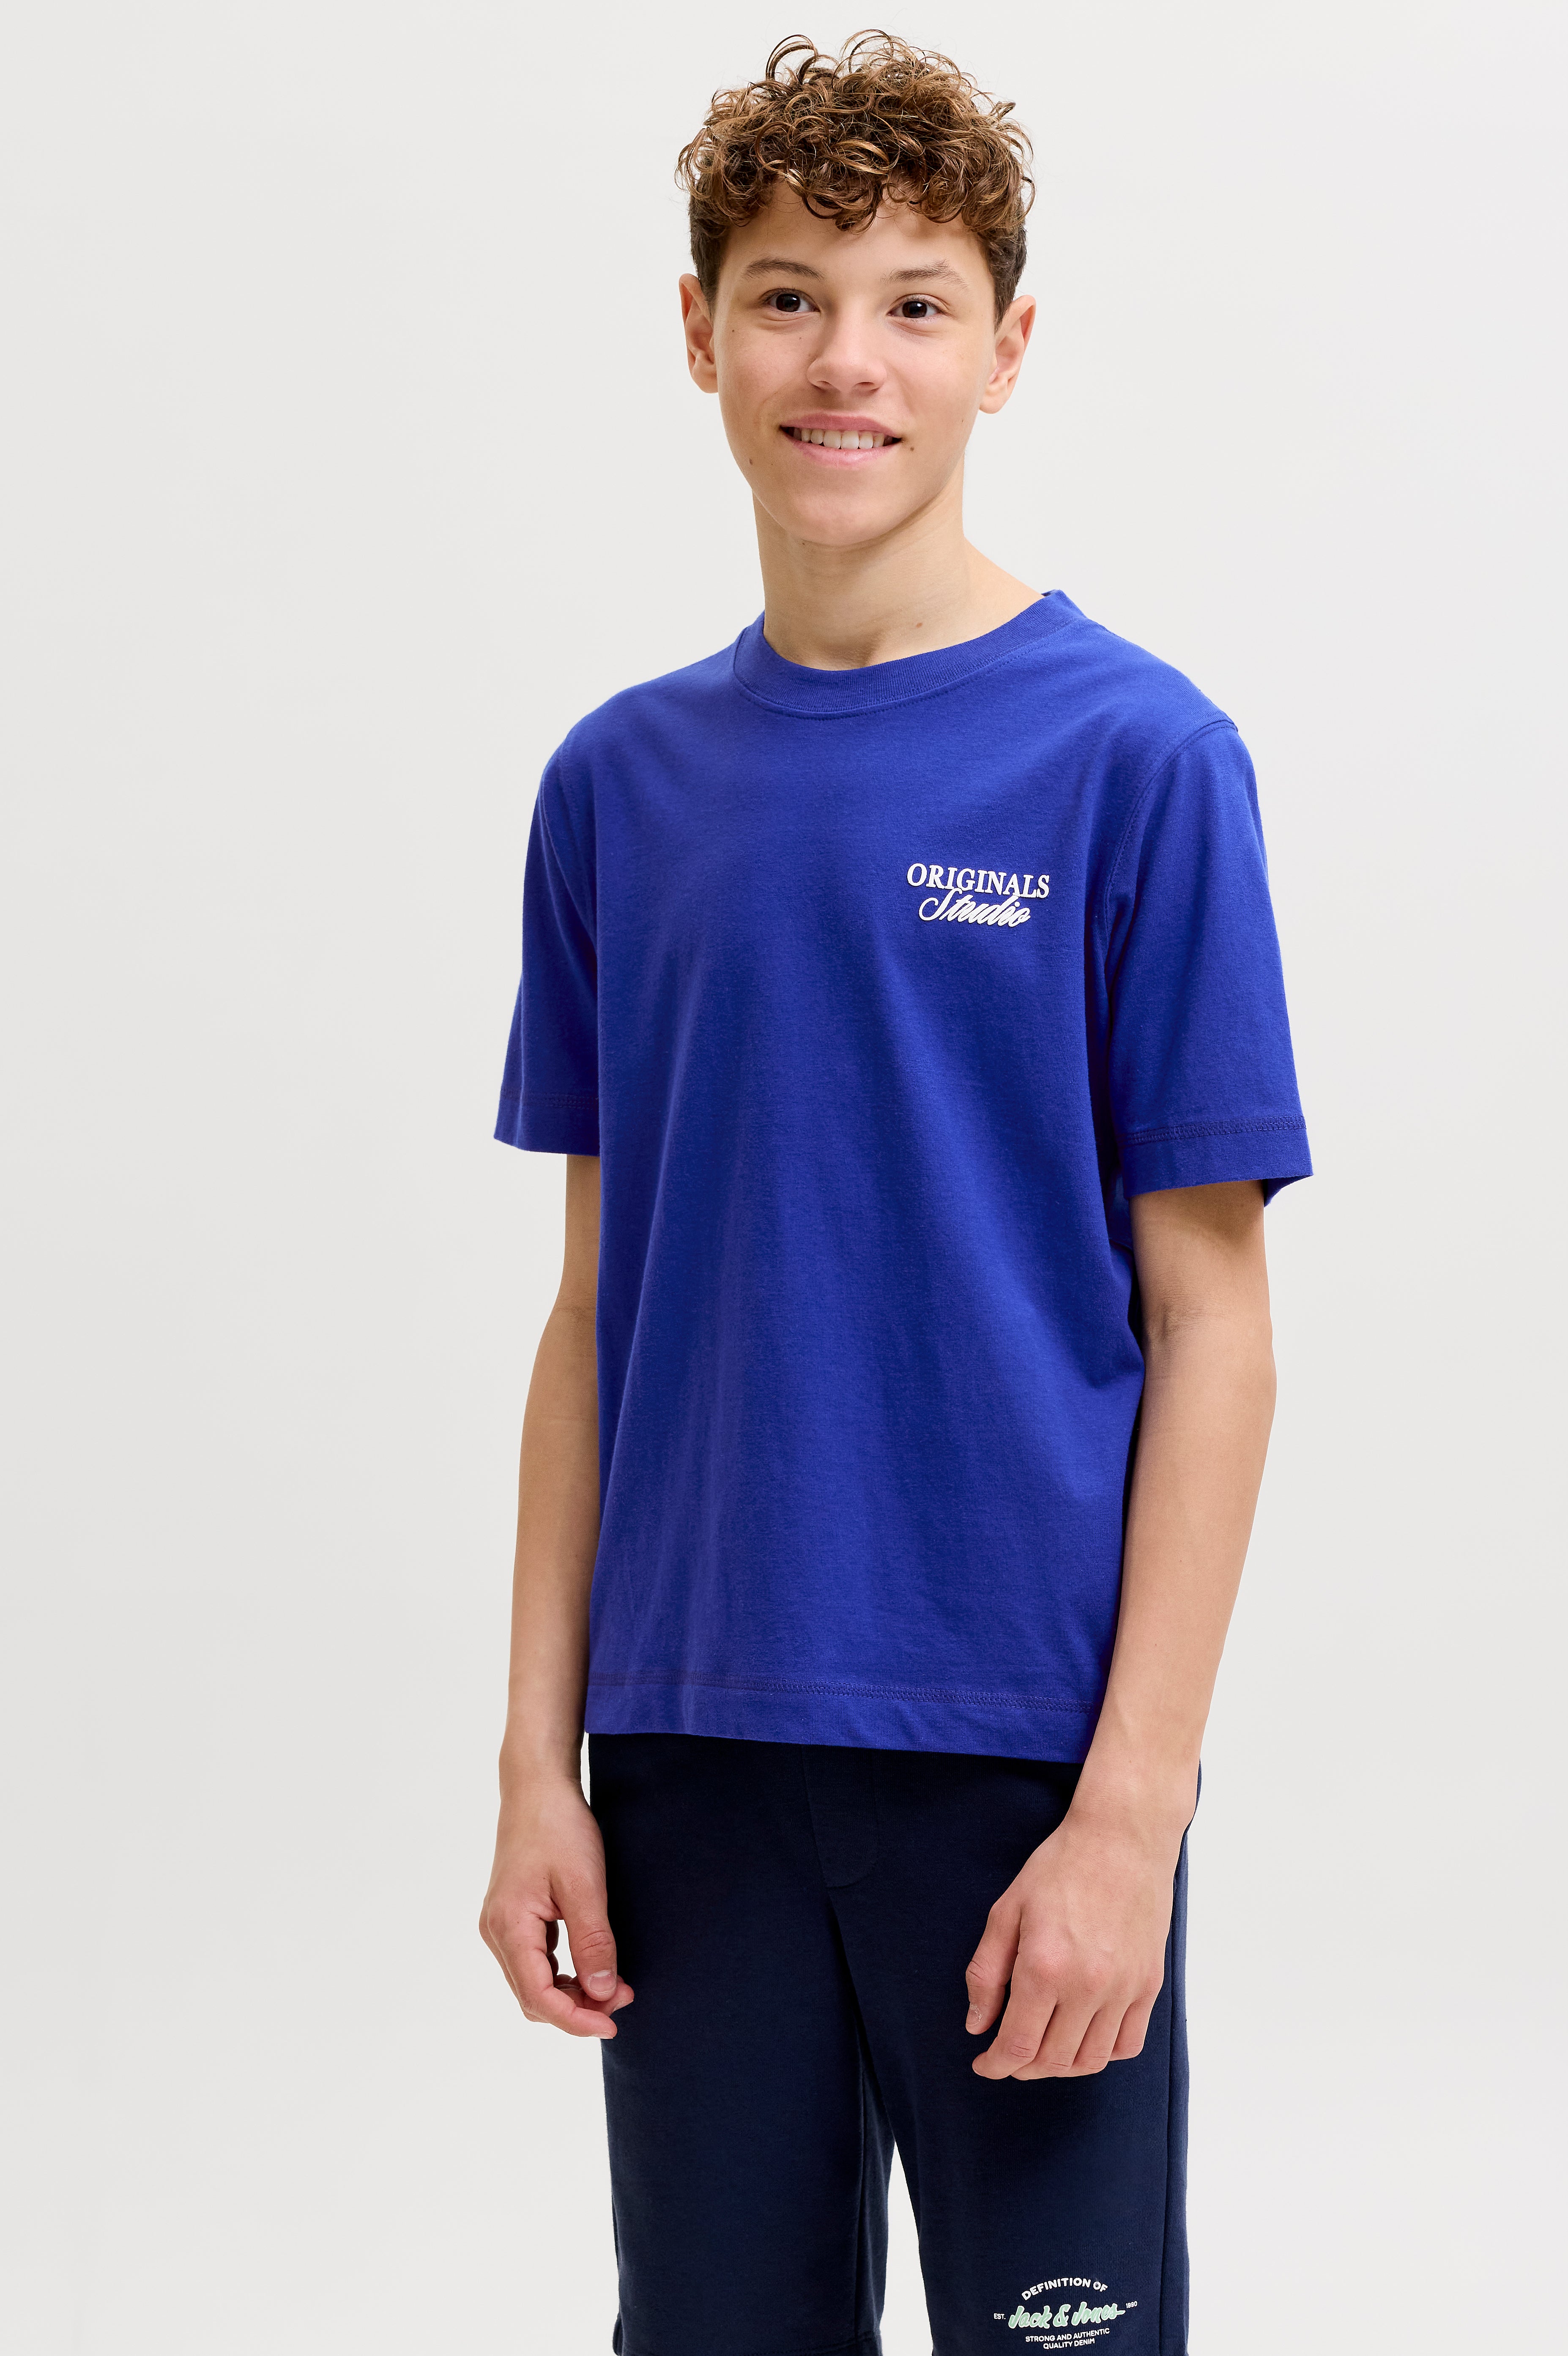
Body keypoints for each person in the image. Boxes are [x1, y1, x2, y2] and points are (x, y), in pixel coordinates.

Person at [479, 32, 1310, 2356]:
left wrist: (1129, 1816)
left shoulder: (1136, 761)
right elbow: (594, 1312)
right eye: (787, 296)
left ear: (1004, 349)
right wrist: (537, 1764)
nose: (847, 360)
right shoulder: (620, 787)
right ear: (699, 332)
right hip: (687, 1759)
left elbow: (1215, 1323)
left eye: (915, 303)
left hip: (1015, 1761)